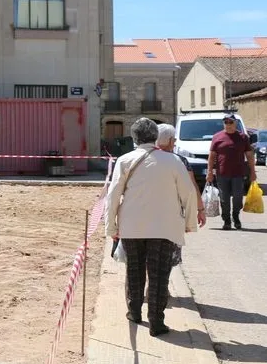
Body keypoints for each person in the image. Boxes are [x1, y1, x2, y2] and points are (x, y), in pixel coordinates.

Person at [105, 118, 199, 337]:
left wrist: (111, 228)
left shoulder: (125, 160)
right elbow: (189, 193)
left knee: (134, 269)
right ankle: (157, 321)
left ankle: (134, 312)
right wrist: (189, 223)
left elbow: (113, 196)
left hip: (132, 225)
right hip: (165, 227)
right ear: (155, 137)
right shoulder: (173, 160)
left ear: (134, 138)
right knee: (159, 274)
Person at [155, 123, 206, 268]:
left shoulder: (143, 159)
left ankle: (151, 287)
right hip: (172, 214)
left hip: (147, 213)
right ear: (170, 141)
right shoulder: (180, 161)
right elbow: (192, 188)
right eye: (174, 140)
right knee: (169, 254)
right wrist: (200, 210)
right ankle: (161, 288)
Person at [206, 114, 257, 230]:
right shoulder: (217, 137)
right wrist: (209, 171)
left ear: (235, 123)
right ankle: (227, 220)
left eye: (230, 122)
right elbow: (212, 156)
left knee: (238, 197)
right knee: (224, 198)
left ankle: (236, 216)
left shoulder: (243, 137)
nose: (228, 125)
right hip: (222, 173)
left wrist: (253, 171)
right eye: (226, 122)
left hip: (238, 173)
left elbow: (249, 156)